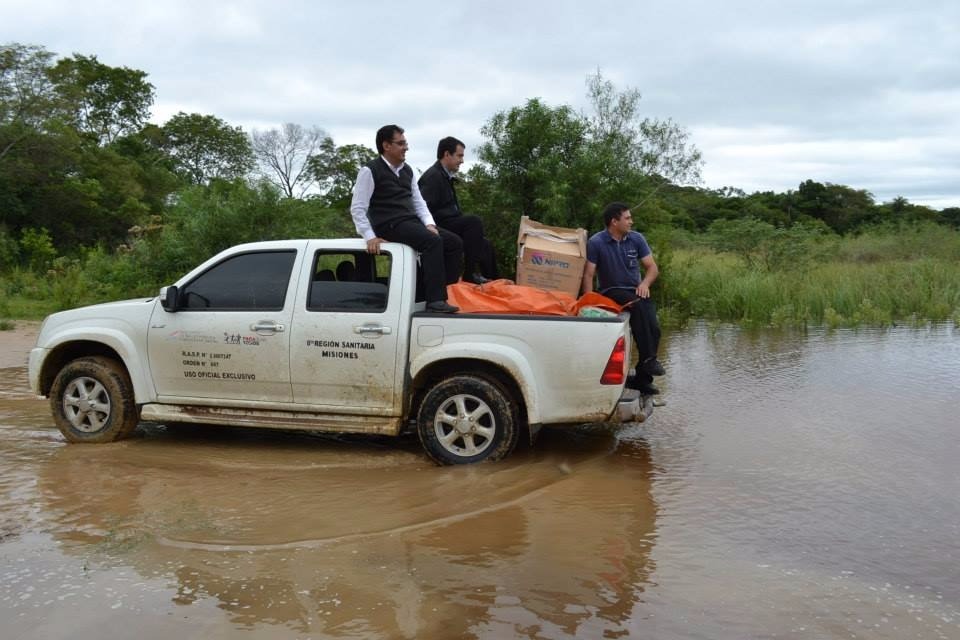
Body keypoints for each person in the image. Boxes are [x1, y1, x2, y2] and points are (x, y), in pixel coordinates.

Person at [350, 125, 461, 313]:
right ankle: (435, 300)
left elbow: (419, 202)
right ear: (386, 146)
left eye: (405, 143)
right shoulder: (370, 170)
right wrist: (370, 237)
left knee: (454, 243)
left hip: (409, 221)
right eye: (401, 143)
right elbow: (358, 207)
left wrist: (429, 224)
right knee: (432, 242)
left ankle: (440, 291)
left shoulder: (407, 170)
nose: (406, 147)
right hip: (388, 224)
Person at [581, 202, 665, 395]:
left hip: (635, 290)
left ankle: (642, 379)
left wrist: (645, 284)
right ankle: (649, 360)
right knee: (637, 306)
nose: (631, 221)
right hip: (611, 290)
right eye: (627, 218)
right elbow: (589, 274)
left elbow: (652, 268)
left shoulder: (636, 239)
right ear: (614, 221)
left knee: (654, 328)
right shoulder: (596, 242)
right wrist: (589, 301)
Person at [417, 136, 499, 284]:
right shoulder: (433, 177)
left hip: (449, 221)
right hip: (438, 225)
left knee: (484, 244)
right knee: (473, 222)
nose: (462, 161)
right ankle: (469, 274)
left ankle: (495, 283)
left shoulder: (446, 176)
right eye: (459, 156)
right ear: (447, 154)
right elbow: (422, 207)